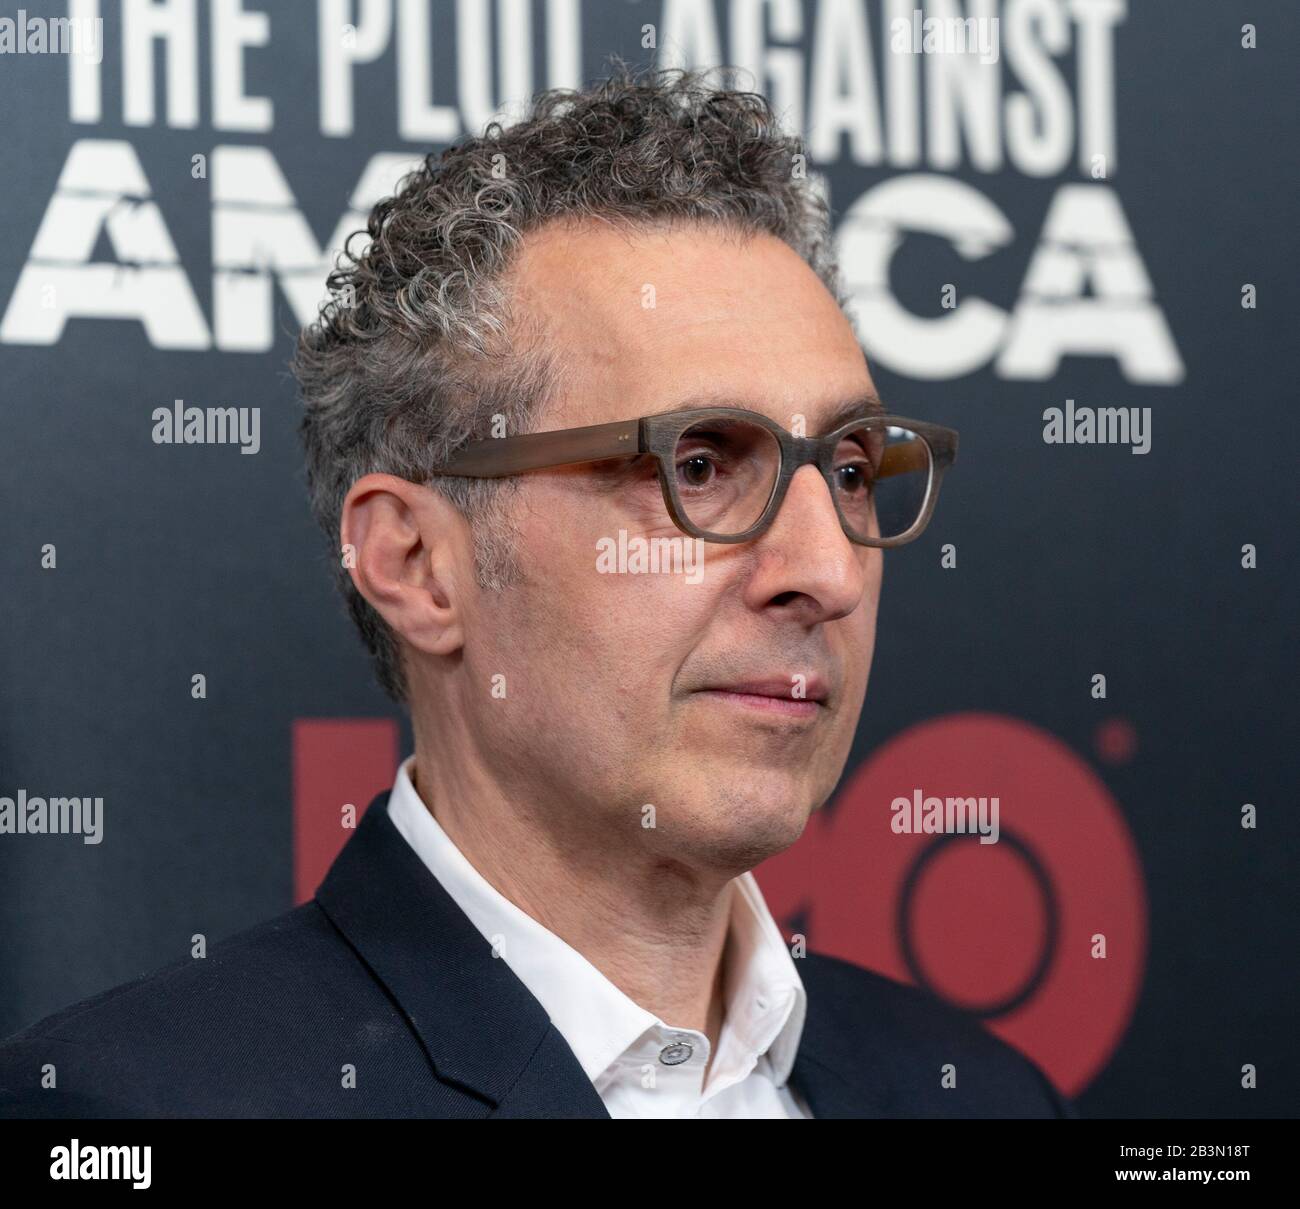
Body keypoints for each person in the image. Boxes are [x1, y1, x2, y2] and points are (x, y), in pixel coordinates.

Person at [0, 67, 1074, 1119]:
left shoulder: (981, 1094)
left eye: (847, 471)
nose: (828, 573)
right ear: (418, 566)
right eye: (695, 466)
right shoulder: (128, 1109)